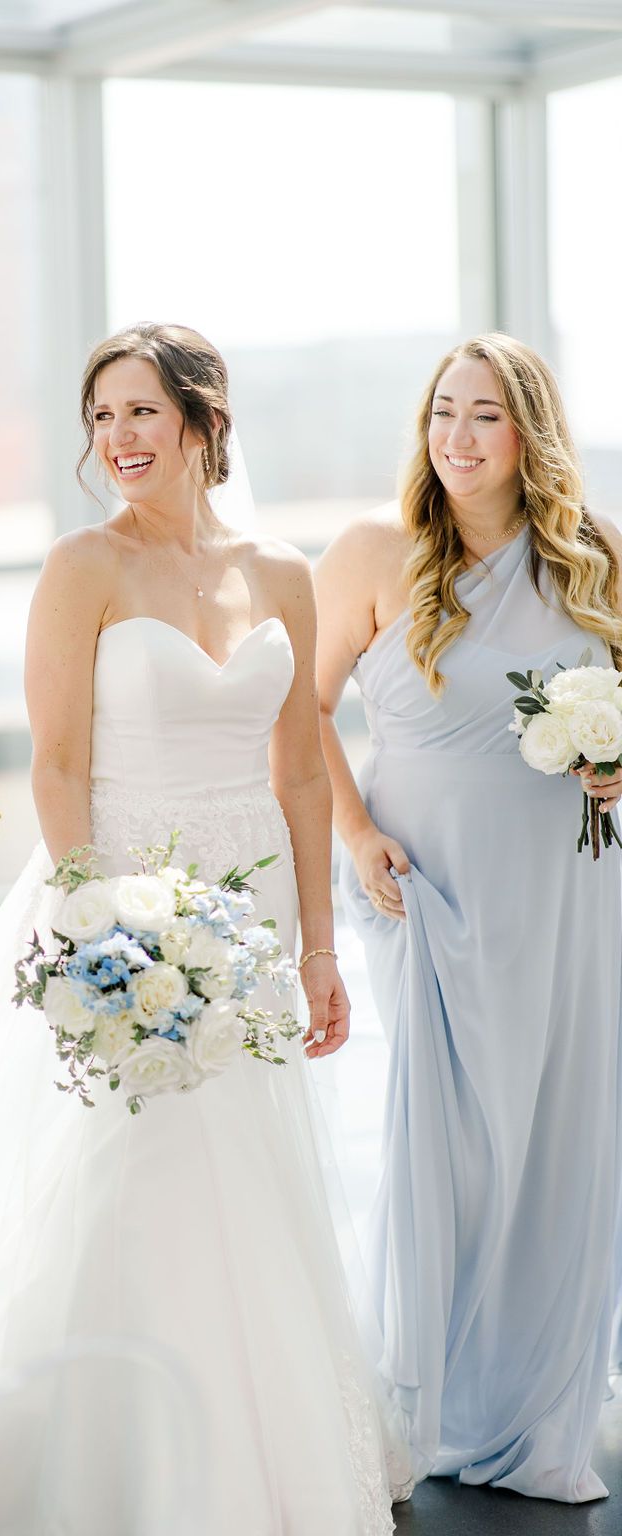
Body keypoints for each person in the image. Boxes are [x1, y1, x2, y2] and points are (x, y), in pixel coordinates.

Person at [0, 323, 411, 1535]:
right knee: (126, 1177)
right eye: (100, 418)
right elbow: (53, 768)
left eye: (141, 413)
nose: (117, 440)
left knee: (249, 1179)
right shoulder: (81, 567)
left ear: (206, 422)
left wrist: (318, 948)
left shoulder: (281, 574)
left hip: (248, 914)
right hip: (118, 914)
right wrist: (114, 926)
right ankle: (112, 1474)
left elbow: (305, 774)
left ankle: (259, 1464)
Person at [316, 332, 622, 1502]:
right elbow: (299, 715)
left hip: (569, 885)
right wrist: (352, 833)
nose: (455, 436)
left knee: (556, 1129)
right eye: (442, 411)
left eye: (484, 414)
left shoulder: (592, 557)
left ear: (529, 432)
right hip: (423, 886)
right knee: (455, 1138)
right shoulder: (373, 553)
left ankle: (538, 1413)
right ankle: (434, 1393)